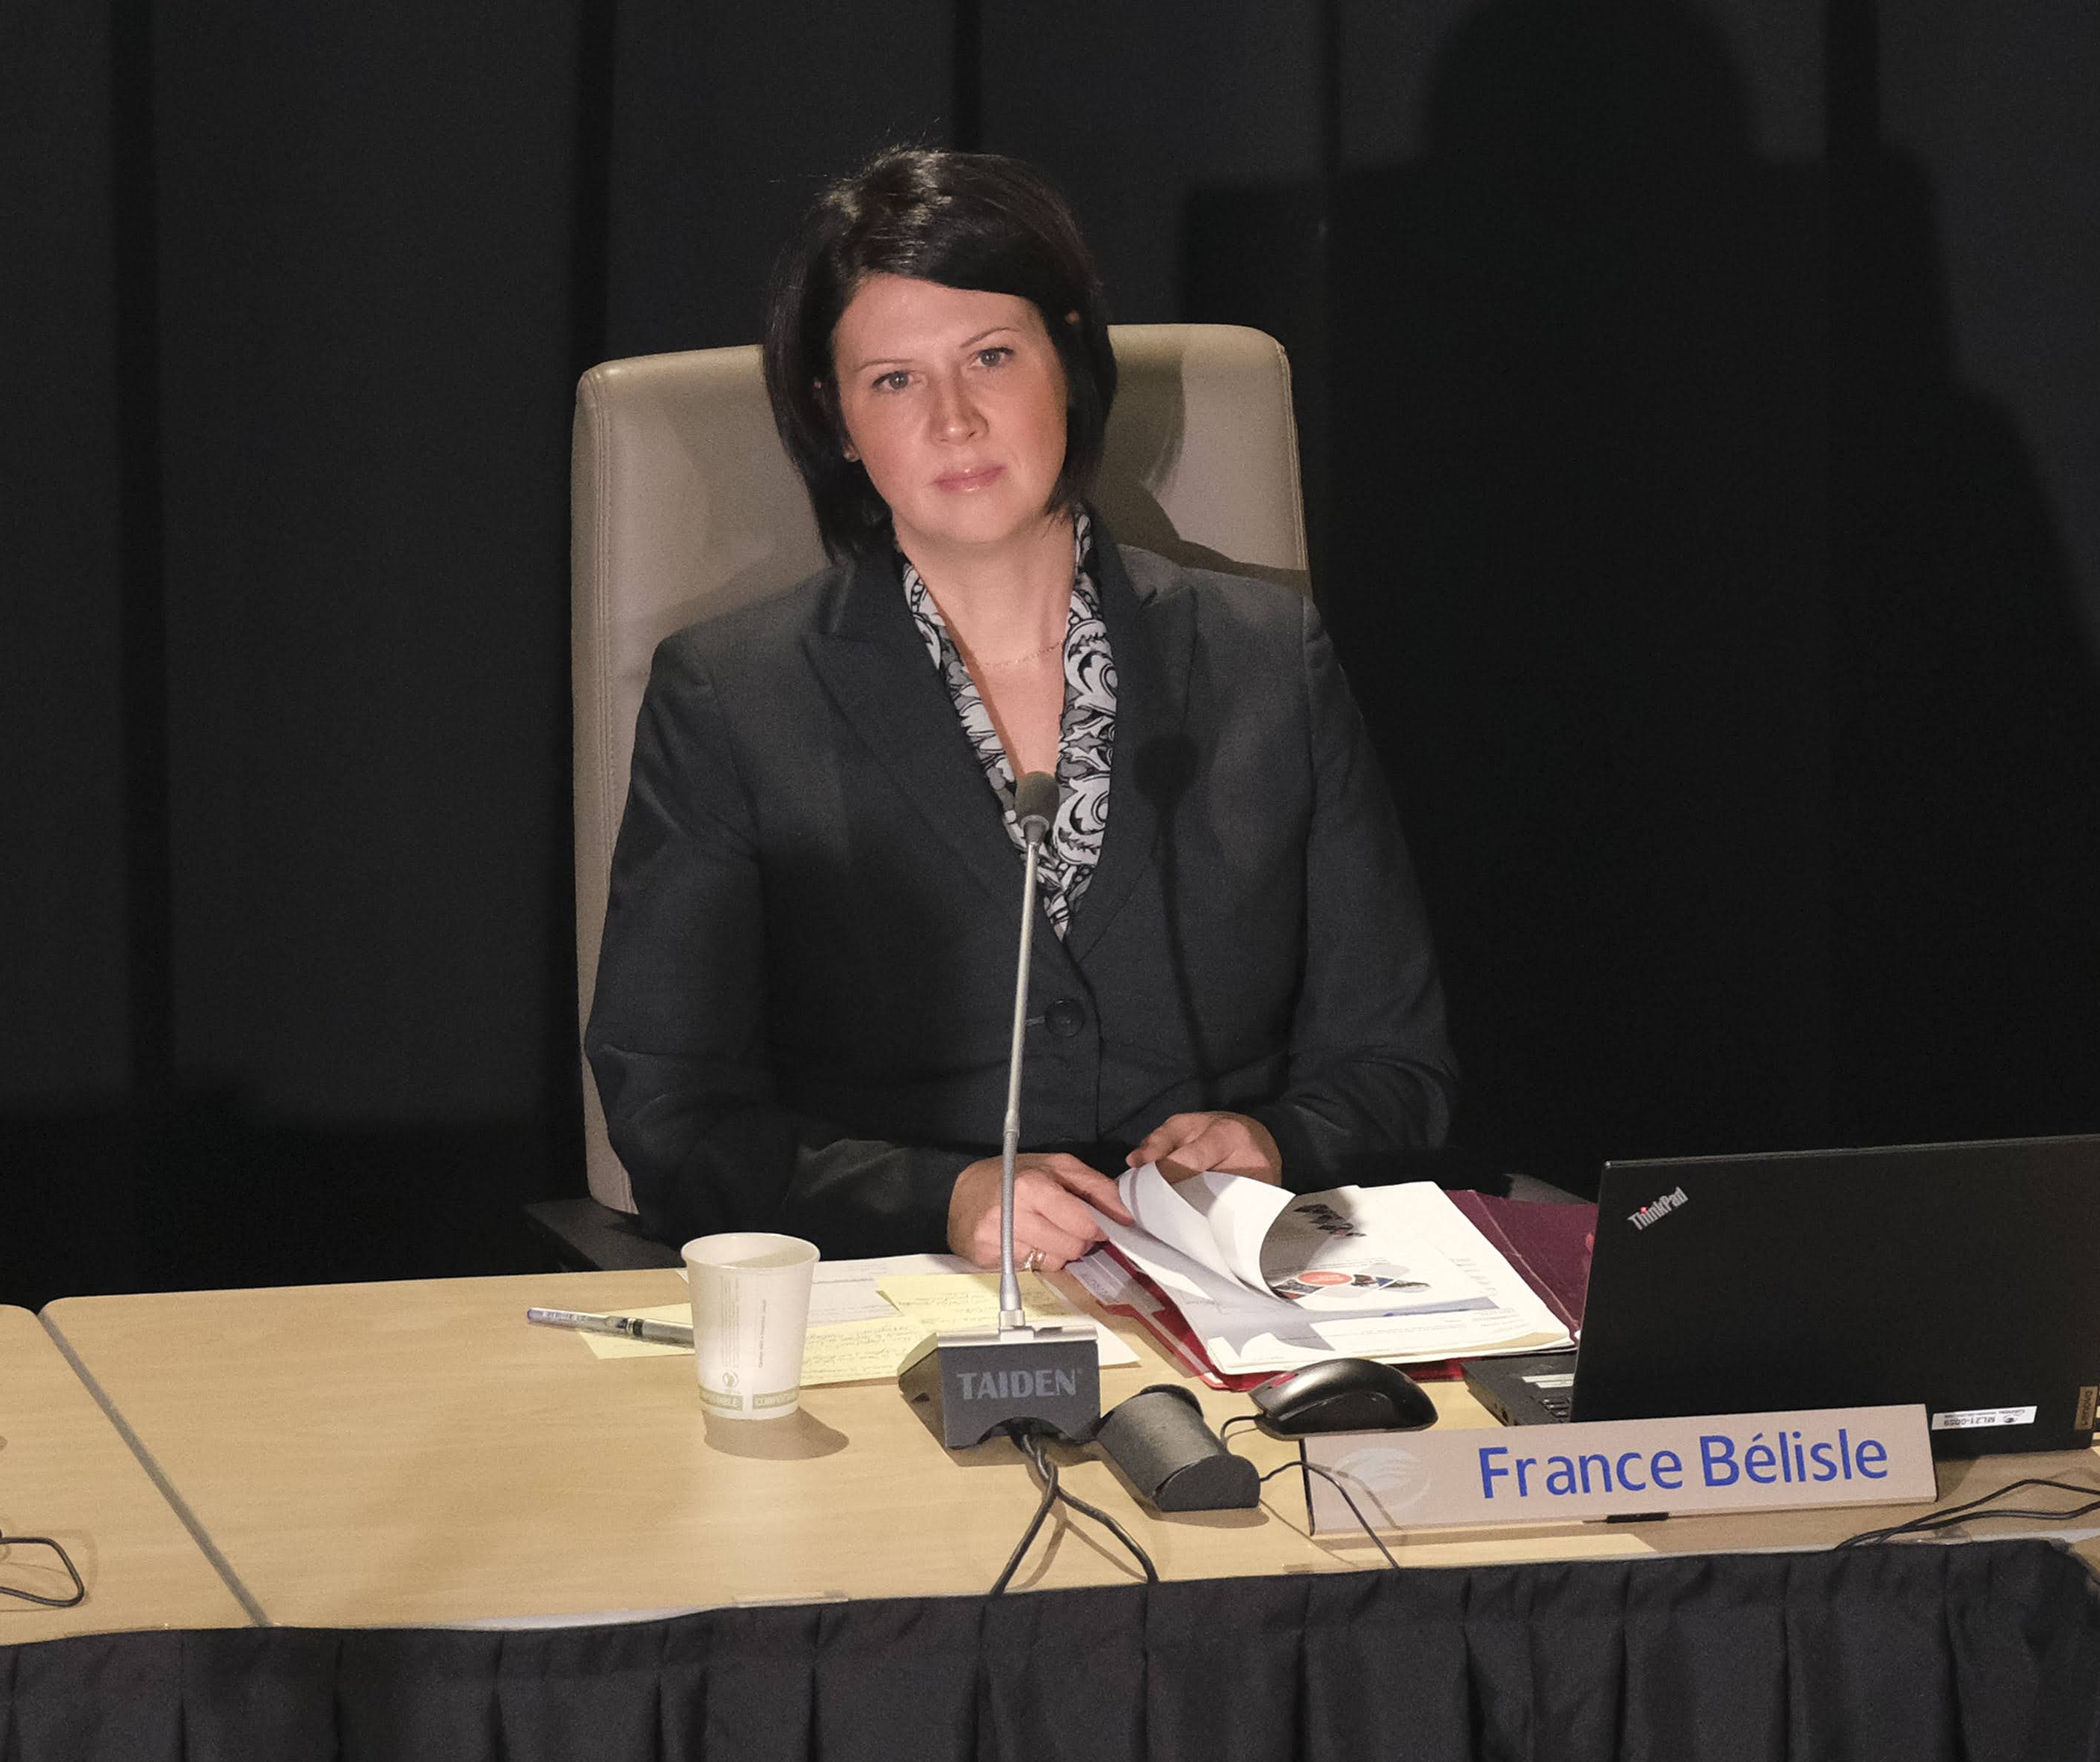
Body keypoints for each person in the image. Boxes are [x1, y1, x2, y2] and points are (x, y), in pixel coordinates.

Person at [584, 148, 1455, 1270]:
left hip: (1220, 1290)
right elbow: (671, 1116)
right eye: (894, 380)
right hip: (897, 1297)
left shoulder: (1268, 661)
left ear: (1069, 362)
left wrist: (1277, 1141)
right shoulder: (733, 697)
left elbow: (1398, 1069)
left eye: (991, 357)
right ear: (836, 418)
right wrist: (937, 1199)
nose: (954, 420)